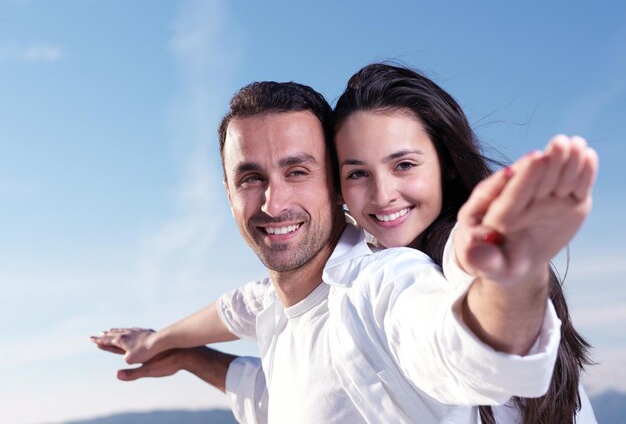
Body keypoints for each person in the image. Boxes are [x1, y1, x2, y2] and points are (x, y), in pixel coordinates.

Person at [92, 74, 597, 423]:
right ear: (227, 194)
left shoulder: (387, 282)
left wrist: (512, 278)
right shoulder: (283, 303)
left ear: (331, 185)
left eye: (297, 171)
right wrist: (170, 349)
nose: (274, 200)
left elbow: (457, 347)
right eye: (250, 178)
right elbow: (250, 325)